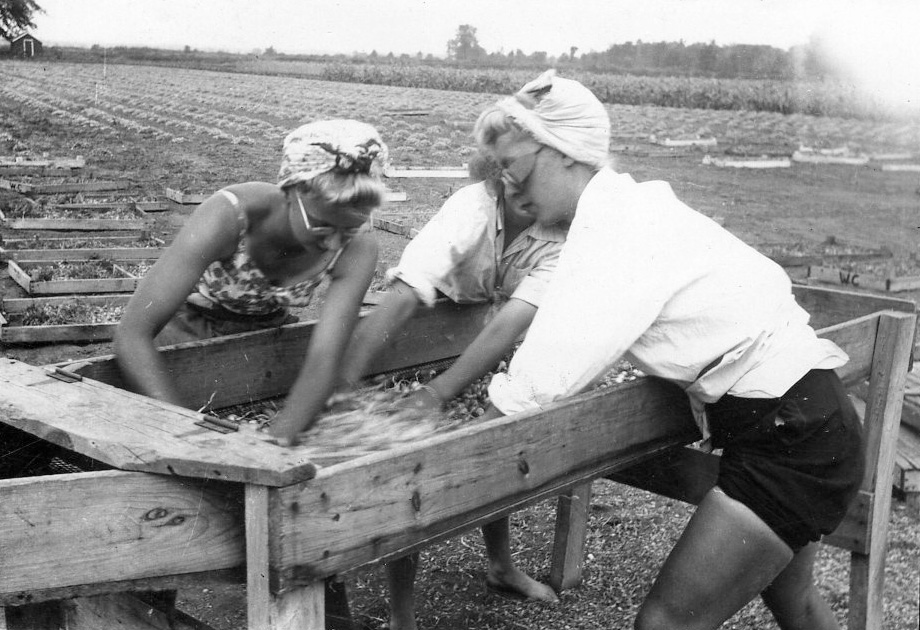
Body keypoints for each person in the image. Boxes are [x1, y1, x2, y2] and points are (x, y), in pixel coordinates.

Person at [474, 70, 864, 630]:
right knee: (795, 604)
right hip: (809, 418)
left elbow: (545, 374)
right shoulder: (632, 209)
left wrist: (459, 439)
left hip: (789, 440)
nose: (510, 189)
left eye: (516, 169)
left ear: (565, 154)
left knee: (664, 624)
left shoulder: (616, 229)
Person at [114, 119, 388, 630]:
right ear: (293, 191)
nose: (334, 243)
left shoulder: (356, 244)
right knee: (171, 495)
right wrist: (185, 437)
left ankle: (326, 617)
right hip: (185, 346)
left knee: (298, 491)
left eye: (350, 227)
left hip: (265, 352)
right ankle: (145, 611)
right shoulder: (230, 215)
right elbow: (132, 334)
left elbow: (325, 357)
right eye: (324, 226)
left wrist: (276, 444)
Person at [337, 150, 564, 630]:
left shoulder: (563, 232)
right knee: (412, 474)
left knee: (496, 452)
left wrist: (439, 393)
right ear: (497, 180)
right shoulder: (471, 207)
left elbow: (510, 323)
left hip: (496, 345)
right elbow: (410, 286)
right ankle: (403, 615)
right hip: (432, 330)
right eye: (514, 187)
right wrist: (346, 380)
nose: (526, 199)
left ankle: (501, 566)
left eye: (535, 189)